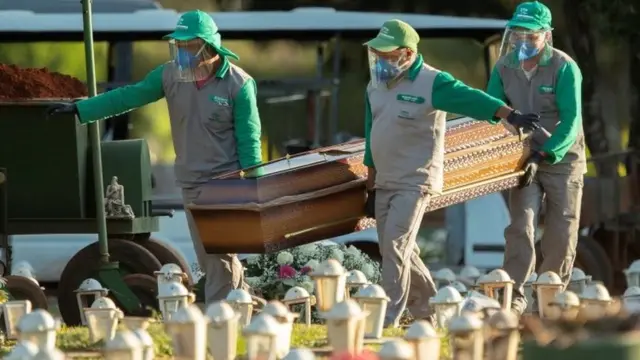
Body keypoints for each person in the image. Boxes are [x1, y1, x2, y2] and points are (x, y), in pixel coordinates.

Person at [47, 10, 263, 305]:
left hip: (226, 184)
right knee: (209, 255)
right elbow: (128, 96)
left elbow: (248, 140)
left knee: (218, 257)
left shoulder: (239, 85)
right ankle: (242, 306)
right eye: (179, 46)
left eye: (188, 46)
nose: (182, 53)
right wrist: (81, 110)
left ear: (207, 46)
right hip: (190, 182)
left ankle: (222, 321)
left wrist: (254, 185)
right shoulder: (169, 74)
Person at [362, 19, 540, 327]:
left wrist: (510, 115)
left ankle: (386, 319)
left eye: (387, 55)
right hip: (385, 181)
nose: (380, 60)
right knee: (398, 250)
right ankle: (429, 310)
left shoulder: (433, 82)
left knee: (395, 246)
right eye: (377, 54)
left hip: (414, 181)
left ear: (406, 53)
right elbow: (371, 135)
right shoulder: (375, 85)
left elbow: (471, 98)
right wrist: (370, 184)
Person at [486, 1, 586, 315]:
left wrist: (545, 153)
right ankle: (512, 299)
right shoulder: (504, 67)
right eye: (518, 34)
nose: (523, 41)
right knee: (520, 225)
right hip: (521, 157)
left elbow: (571, 120)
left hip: (562, 158)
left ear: (546, 35)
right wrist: (506, 121)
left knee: (561, 228)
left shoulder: (564, 66)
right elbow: (491, 109)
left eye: (531, 35)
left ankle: (549, 296)